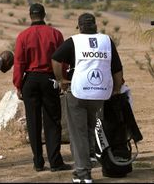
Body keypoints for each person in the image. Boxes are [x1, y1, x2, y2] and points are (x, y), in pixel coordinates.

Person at [51, 12, 123, 183]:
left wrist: (61, 79)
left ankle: (83, 173)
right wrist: (117, 89)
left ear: (79, 27)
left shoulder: (74, 41)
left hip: (78, 92)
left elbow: (55, 59)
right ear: (96, 26)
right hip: (100, 93)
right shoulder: (106, 41)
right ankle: (89, 159)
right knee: (91, 128)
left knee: (78, 133)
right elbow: (117, 68)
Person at [13, 3, 72, 172]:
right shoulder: (55, 34)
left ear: (30, 15)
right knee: (53, 120)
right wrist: (63, 79)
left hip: (30, 81)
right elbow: (63, 60)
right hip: (50, 79)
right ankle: (55, 162)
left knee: (33, 121)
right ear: (44, 14)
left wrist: (18, 84)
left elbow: (19, 63)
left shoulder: (23, 36)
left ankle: (38, 162)